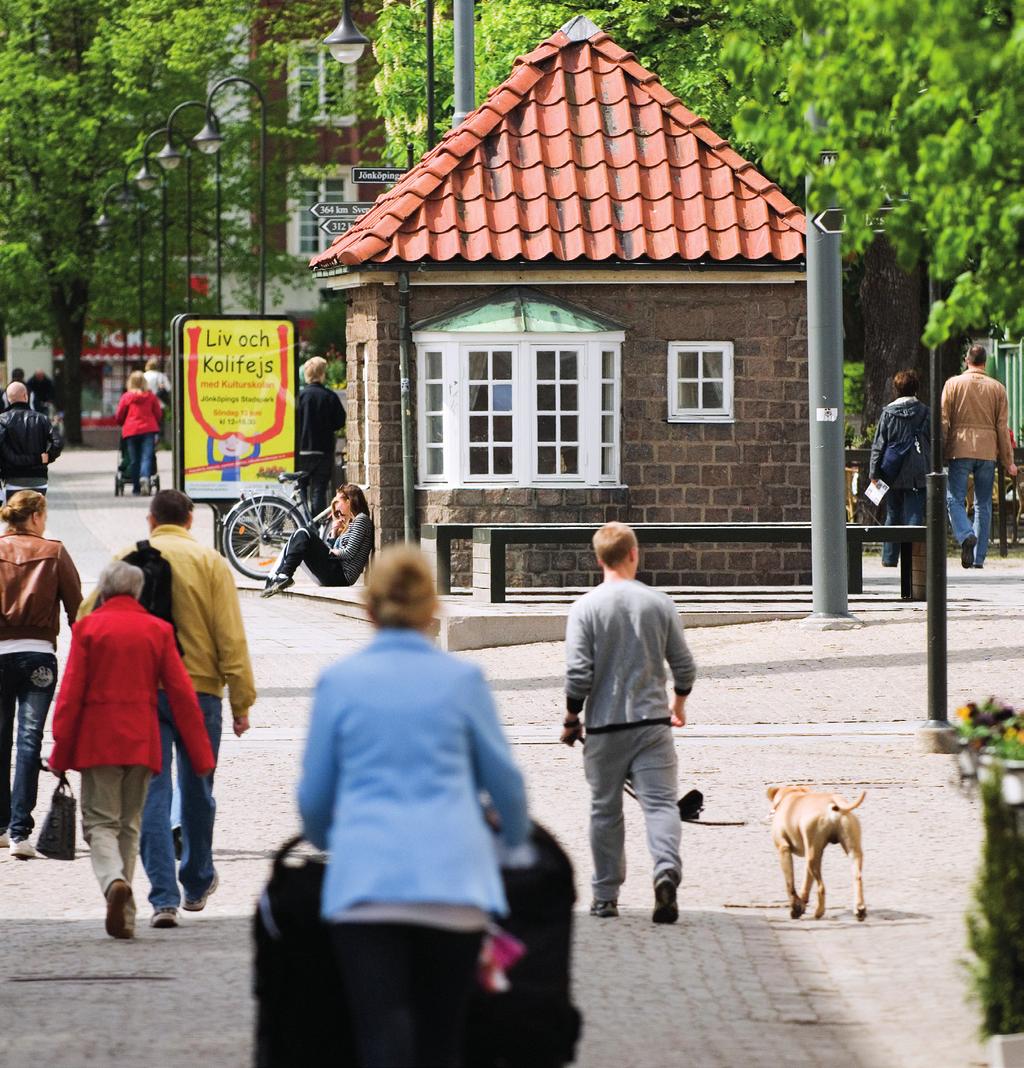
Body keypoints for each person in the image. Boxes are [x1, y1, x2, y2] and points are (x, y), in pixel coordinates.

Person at [298, 545, 529, 1068]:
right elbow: (507, 787)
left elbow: (313, 802)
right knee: (443, 1038)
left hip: (366, 885)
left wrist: (343, 840)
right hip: (455, 885)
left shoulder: (340, 682)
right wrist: (511, 845)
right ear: (433, 609)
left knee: (379, 1035)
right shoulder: (463, 681)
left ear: (369, 607)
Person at [79, 489, 255, 928]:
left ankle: (163, 898)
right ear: (191, 520)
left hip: (141, 692)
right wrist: (241, 699)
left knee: (152, 794)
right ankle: (196, 882)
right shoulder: (210, 562)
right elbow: (229, 635)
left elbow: (87, 618)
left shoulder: (127, 556)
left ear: (150, 520)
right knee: (199, 789)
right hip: (199, 692)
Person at [49, 561, 214, 939]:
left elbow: (71, 695)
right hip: (142, 741)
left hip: (98, 742)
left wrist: (60, 750)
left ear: (105, 592)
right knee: (129, 825)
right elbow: (182, 697)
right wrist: (201, 755)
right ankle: (124, 915)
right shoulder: (158, 630)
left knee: (99, 825)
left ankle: (113, 883)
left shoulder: (89, 628)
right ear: (137, 593)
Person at [562, 521, 696, 925]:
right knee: (659, 804)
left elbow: (578, 675)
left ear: (598, 558)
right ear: (634, 554)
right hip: (653, 725)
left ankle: (605, 897)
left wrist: (572, 717)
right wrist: (679, 704)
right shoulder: (659, 603)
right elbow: (685, 666)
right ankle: (665, 871)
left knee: (605, 810)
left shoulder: (584, 608)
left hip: (604, 729)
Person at [0, 490, 82, 858]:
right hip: (38, 656)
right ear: (34, 517)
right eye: (44, 516)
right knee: (29, 739)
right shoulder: (55, 551)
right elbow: (77, 608)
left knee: (0, 738)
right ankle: (21, 831)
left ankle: (1, 827)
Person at [942, 343, 1018, 568]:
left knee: (953, 498)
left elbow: (944, 420)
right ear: (985, 362)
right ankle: (978, 558)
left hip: (960, 448)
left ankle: (966, 534)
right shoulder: (997, 388)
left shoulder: (953, 384)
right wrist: (1009, 461)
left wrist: (940, 449)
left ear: (967, 360)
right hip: (987, 450)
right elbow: (1002, 428)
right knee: (983, 504)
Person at [262, 483, 373, 598]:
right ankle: (274, 577)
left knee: (303, 532)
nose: (336, 507)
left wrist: (331, 551)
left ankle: (283, 575)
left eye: (338, 502)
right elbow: (338, 550)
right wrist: (334, 533)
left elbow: (348, 553)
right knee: (296, 537)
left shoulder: (361, 520)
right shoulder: (351, 523)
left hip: (341, 576)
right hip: (335, 574)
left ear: (349, 501)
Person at [869, 369, 930, 566]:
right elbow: (933, 441)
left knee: (893, 514)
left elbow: (879, 445)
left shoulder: (888, 413)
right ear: (916, 389)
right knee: (914, 515)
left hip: (892, 471)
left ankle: (889, 557)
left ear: (896, 389)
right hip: (918, 470)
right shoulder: (925, 412)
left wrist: (874, 473)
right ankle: (912, 559)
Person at [296, 355, 346, 518]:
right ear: (322, 374)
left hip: (301, 451)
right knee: (319, 489)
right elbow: (339, 421)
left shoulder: (299, 397)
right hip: (323, 451)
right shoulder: (329, 397)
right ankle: (316, 525)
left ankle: (302, 522)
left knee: (300, 489)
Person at [0, 381, 63, 500]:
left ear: (8, 399)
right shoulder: (42, 419)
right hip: (39, 480)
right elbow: (58, 442)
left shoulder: (2, 420)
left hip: (13, 479)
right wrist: (48, 457)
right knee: (36, 515)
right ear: (26, 396)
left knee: (17, 516)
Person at [116, 371, 162, 496]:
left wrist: (122, 422)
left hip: (131, 431)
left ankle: (136, 488)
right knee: (146, 457)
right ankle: (145, 478)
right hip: (148, 430)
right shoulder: (151, 397)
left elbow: (119, 415)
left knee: (134, 459)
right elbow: (158, 414)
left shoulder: (126, 397)